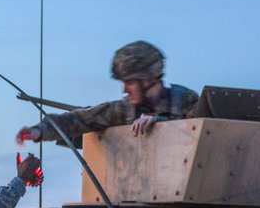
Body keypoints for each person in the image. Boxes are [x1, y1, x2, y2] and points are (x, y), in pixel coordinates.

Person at [15, 40, 198, 145]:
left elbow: (204, 135)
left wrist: (161, 125)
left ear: (148, 78)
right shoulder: (123, 111)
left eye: (129, 82)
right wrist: (38, 131)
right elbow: (76, 120)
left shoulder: (186, 103)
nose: (124, 90)